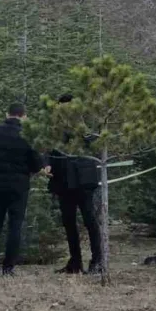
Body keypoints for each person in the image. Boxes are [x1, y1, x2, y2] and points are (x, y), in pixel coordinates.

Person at [0, 103, 43, 276]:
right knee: (15, 226)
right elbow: (36, 163)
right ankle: (8, 267)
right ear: (24, 116)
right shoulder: (28, 134)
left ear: (7, 114)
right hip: (19, 185)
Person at [46, 95, 103, 274]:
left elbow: (94, 142)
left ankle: (98, 261)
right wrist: (45, 163)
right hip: (63, 181)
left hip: (84, 180)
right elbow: (47, 149)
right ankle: (75, 262)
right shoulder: (54, 128)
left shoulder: (85, 124)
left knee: (90, 220)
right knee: (68, 222)